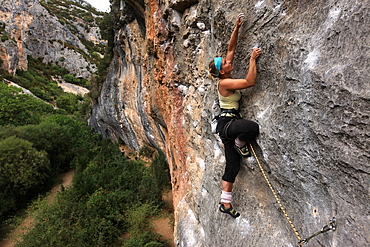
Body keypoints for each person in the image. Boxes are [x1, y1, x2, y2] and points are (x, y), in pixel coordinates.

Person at [209, 13, 262, 218]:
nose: (229, 61)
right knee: (252, 128)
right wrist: (252, 60)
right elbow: (250, 81)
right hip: (228, 124)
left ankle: (225, 203)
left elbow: (231, 48)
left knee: (232, 166)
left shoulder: (225, 73)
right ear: (223, 71)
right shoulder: (224, 83)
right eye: (225, 63)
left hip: (227, 126)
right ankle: (240, 144)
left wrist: (237, 27)